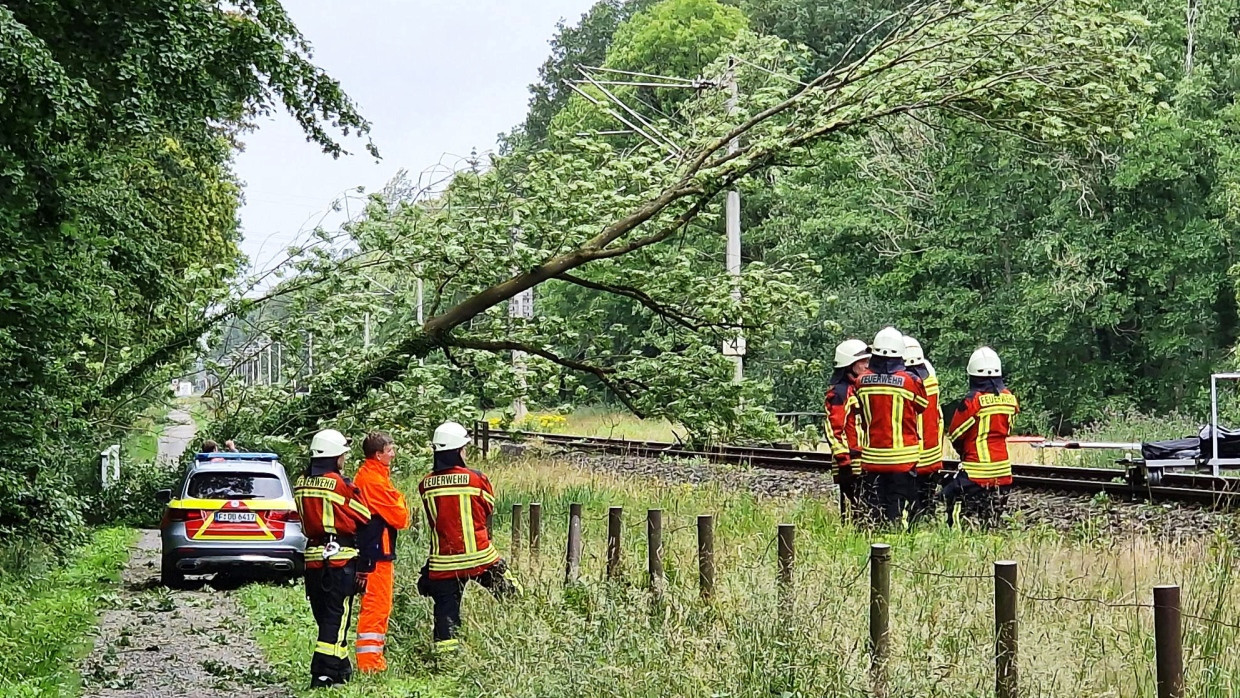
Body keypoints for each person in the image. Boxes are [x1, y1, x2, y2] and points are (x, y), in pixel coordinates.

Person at [417, 421, 517, 654]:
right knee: (512, 594)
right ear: (458, 451)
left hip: (443, 563)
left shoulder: (426, 484)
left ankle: (446, 660)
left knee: (445, 614)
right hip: (481, 558)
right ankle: (519, 638)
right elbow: (488, 508)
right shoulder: (476, 479)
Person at [292, 429, 372, 688]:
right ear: (334, 456)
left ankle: (341, 669)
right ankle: (322, 673)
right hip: (340, 559)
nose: (344, 460)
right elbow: (363, 517)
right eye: (343, 455)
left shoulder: (301, 482)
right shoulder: (340, 484)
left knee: (325, 616)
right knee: (337, 617)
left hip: (313, 559)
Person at [855, 326, 928, 526]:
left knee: (874, 506)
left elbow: (860, 410)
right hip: (903, 457)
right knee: (898, 506)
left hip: (872, 457)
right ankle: (896, 538)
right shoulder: (909, 381)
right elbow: (922, 406)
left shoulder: (861, 382)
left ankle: (875, 538)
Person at [943, 347, 1020, 527]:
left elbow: (955, 433)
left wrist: (964, 452)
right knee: (992, 516)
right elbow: (1007, 427)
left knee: (945, 496)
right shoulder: (1010, 399)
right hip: (1003, 470)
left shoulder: (973, 401)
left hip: (976, 472)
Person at [353, 431, 410, 672]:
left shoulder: (373, 476)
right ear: (378, 455)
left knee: (379, 606)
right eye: (390, 451)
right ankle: (370, 665)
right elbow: (400, 517)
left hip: (375, 551)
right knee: (376, 607)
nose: (394, 454)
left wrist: (396, 498)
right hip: (375, 554)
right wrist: (399, 499)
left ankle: (373, 662)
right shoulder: (374, 482)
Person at [824, 338, 870, 523]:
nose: (867, 365)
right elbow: (833, 428)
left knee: (864, 511)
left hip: (864, 458)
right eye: (863, 361)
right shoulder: (839, 393)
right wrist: (844, 459)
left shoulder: (859, 388)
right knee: (853, 512)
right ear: (849, 364)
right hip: (850, 461)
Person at [903, 336, 943, 526]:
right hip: (932, 455)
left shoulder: (905, 383)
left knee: (912, 504)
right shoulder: (931, 378)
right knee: (927, 502)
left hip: (912, 455)